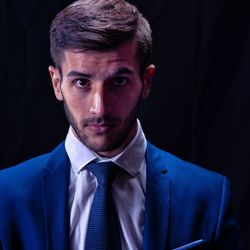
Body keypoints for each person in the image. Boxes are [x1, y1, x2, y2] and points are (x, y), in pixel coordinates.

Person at [0, 0, 241, 249]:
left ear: (146, 81)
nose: (100, 108)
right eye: (82, 82)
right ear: (56, 83)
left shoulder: (209, 196)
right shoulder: (4, 197)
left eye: (119, 81)